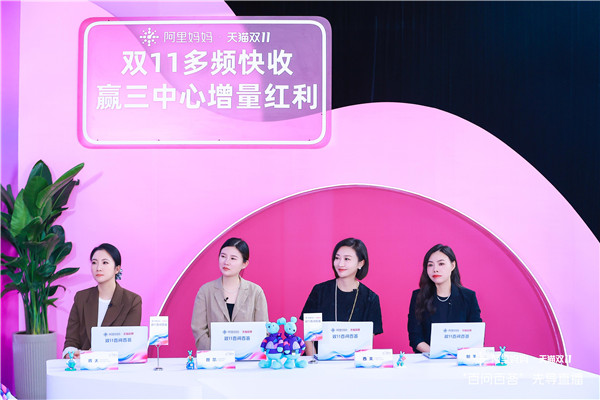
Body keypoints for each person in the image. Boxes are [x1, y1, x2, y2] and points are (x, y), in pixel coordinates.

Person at [300, 238, 383, 355]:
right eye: (337, 258)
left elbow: (366, 340)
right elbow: (310, 338)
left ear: (360, 263)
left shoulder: (370, 298)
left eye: (347, 259)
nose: (340, 264)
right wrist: (314, 361)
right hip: (318, 359)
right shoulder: (320, 291)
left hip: (352, 362)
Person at [63, 243, 142, 358]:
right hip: (84, 365)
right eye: (94, 262)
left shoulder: (132, 301)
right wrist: (71, 355)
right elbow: (71, 341)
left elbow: (128, 343)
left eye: (105, 262)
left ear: (117, 269)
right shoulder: (81, 298)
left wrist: (95, 352)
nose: (98, 268)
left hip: (117, 365)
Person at [191, 237, 268, 350]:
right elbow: (199, 330)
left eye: (233, 258)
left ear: (244, 264)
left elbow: (262, 330)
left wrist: (246, 354)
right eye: (223, 256)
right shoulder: (205, 291)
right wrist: (218, 352)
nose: (226, 262)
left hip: (247, 357)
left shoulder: (256, 292)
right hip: (214, 357)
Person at [407, 244, 482, 353]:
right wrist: (437, 355)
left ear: (452, 265)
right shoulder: (418, 296)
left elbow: (476, 335)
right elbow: (415, 337)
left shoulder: (468, 297)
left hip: (460, 359)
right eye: (430, 265)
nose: (435, 269)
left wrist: (457, 356)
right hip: (429, 359)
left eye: (441, 264)